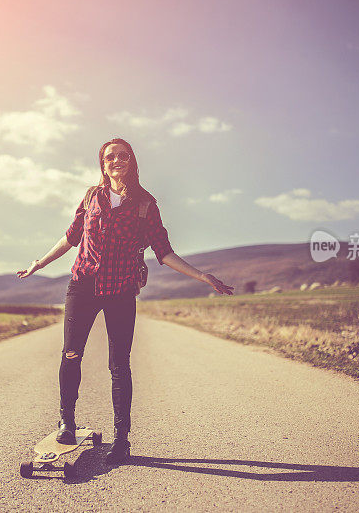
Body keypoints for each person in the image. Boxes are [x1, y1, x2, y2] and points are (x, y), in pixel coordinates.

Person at [17, 137, 234, 464]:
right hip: (83, 285)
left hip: (120, 289)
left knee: (119, 365)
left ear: (131, 161)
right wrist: (39, 263)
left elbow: (164, 252)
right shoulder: (92, 196)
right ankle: (66, 422)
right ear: (102, 165)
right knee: (71, 353)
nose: (116, 161)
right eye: (109, 157)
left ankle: (122, 439)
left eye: (122, 156)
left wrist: (202, 276)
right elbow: (71, 237)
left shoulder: (146, 204)